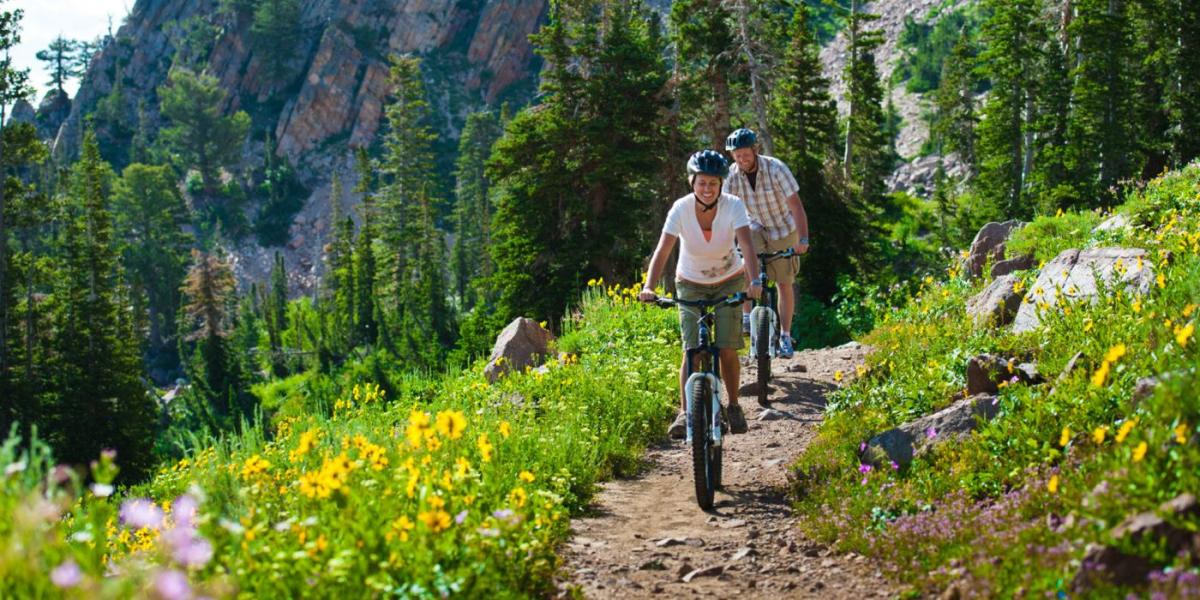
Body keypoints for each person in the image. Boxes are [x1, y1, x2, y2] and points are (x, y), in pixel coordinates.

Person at [639, 150, 762, 439]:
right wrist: (649, 287)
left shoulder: (733, 206)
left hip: (729, 279)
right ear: (692, 182)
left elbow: (747, 244)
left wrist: (753, 281)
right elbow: (663, 250)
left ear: (721, 185)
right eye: (702, 183)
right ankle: (684, 413)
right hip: (691, 282)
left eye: (713, 184)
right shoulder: (680, 209)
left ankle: (733, 405)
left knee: (727, 346)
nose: (707, 189)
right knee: (691, 350)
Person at [723, 128, 810, 359]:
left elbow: (796, 206)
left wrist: (802, 239)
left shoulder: (776, 168)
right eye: (737, 155)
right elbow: (726, 212)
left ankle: (785, 335)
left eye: (746, 154)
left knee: (784, 282)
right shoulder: (731, 177)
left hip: (783, 227)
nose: (742, 159)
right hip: (754, 226)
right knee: (744, 263)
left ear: (755, 150)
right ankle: (746, 318)